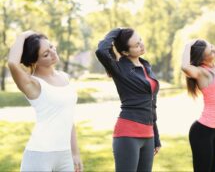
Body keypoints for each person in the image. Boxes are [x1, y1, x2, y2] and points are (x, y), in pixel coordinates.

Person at [8, 30, 83, 172]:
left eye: (51, 47)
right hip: (39, 155)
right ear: (33, 61)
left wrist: (75, 153)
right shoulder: (32, 83)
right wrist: (23, 36)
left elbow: (68, 118)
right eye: (46, 54)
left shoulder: (64, 77)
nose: (53, 53)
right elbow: (12, 63)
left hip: (65, 154)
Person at [95, 28, 161, 172]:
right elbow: (101, 51)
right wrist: (116, 31)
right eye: (137, 45)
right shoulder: (119, 68)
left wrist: (155, 135)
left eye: (140, 41)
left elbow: (152, 105)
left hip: (148, 134)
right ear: (125, 52)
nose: (142, 45)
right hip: (128, 133)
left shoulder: (146, 66)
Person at [181, 39, 215, 172]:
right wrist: (188, 45)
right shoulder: (202, 72)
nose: (214, 49)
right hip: (203, 132)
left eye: (212, 45)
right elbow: (185, 67)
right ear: (202, 57)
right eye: (210, 50)